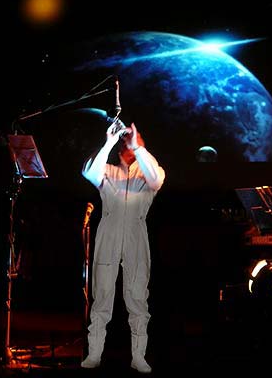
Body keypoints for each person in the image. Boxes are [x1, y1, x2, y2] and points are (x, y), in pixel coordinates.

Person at [80, 120, 165, 373]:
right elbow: (89, 173)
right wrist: (109, 141)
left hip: (136, 236)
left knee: (138, 298)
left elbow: (156, 180)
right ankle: (94, 353)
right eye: (126, 144)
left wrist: (138, 147)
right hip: (108, 233)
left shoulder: (149, 172)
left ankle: (138, 356)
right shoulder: (107, 171)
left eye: (137, 143)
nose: (131, 145)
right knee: (102, 296)